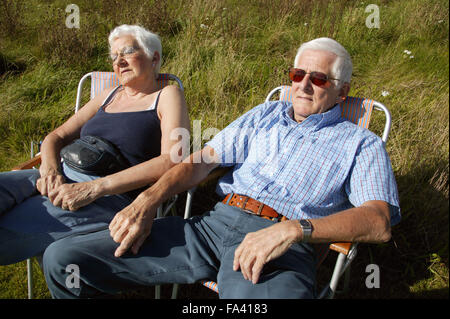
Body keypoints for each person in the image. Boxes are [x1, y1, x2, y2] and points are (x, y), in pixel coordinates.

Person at [43, 37, 400, 299]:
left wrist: (293, 230)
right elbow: (202, 160)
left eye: (318, 79)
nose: (303, 85)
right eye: (297, 73)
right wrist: (147, 201)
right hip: (211, 228)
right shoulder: (266, 115)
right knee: (65, 259)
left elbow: (378, 221)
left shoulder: (359, 143)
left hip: (281, 249)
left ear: (342, 91)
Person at [0, 24, 190, 265]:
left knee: (9, 230)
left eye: (127, 52)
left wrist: (94, 188)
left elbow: (173, 159)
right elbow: (55, 137)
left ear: (154, 58)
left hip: (106, 196)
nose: (118, 61)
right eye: (114, 56)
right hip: (58, 175)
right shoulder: (108, 95)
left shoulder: (167, 95)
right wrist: (49, 169)